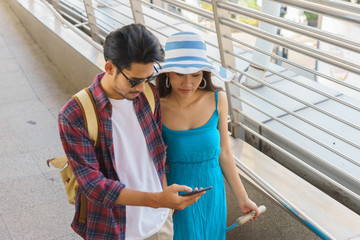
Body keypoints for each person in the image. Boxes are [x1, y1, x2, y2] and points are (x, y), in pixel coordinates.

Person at [58, 24, 204, 240]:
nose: (141, 86)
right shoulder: (75, 114)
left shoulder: (148, 95)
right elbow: (93, 185)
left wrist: (164, 204)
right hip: (112, 229)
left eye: (148, 77)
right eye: (135, 80)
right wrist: (158, 200)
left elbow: (157, 153)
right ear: (109, 68)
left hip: (159, 222)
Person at [156, 32, 260, 239]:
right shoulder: (155, 105)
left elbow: (225, 154)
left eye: (195, 74)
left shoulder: (218, 99)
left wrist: (243, 198)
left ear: (204, 73)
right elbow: (153, 160)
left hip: (213, 194)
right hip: (175, 196)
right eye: (179, 74)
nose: (188, 83)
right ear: (167, 73)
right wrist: (164, 201)